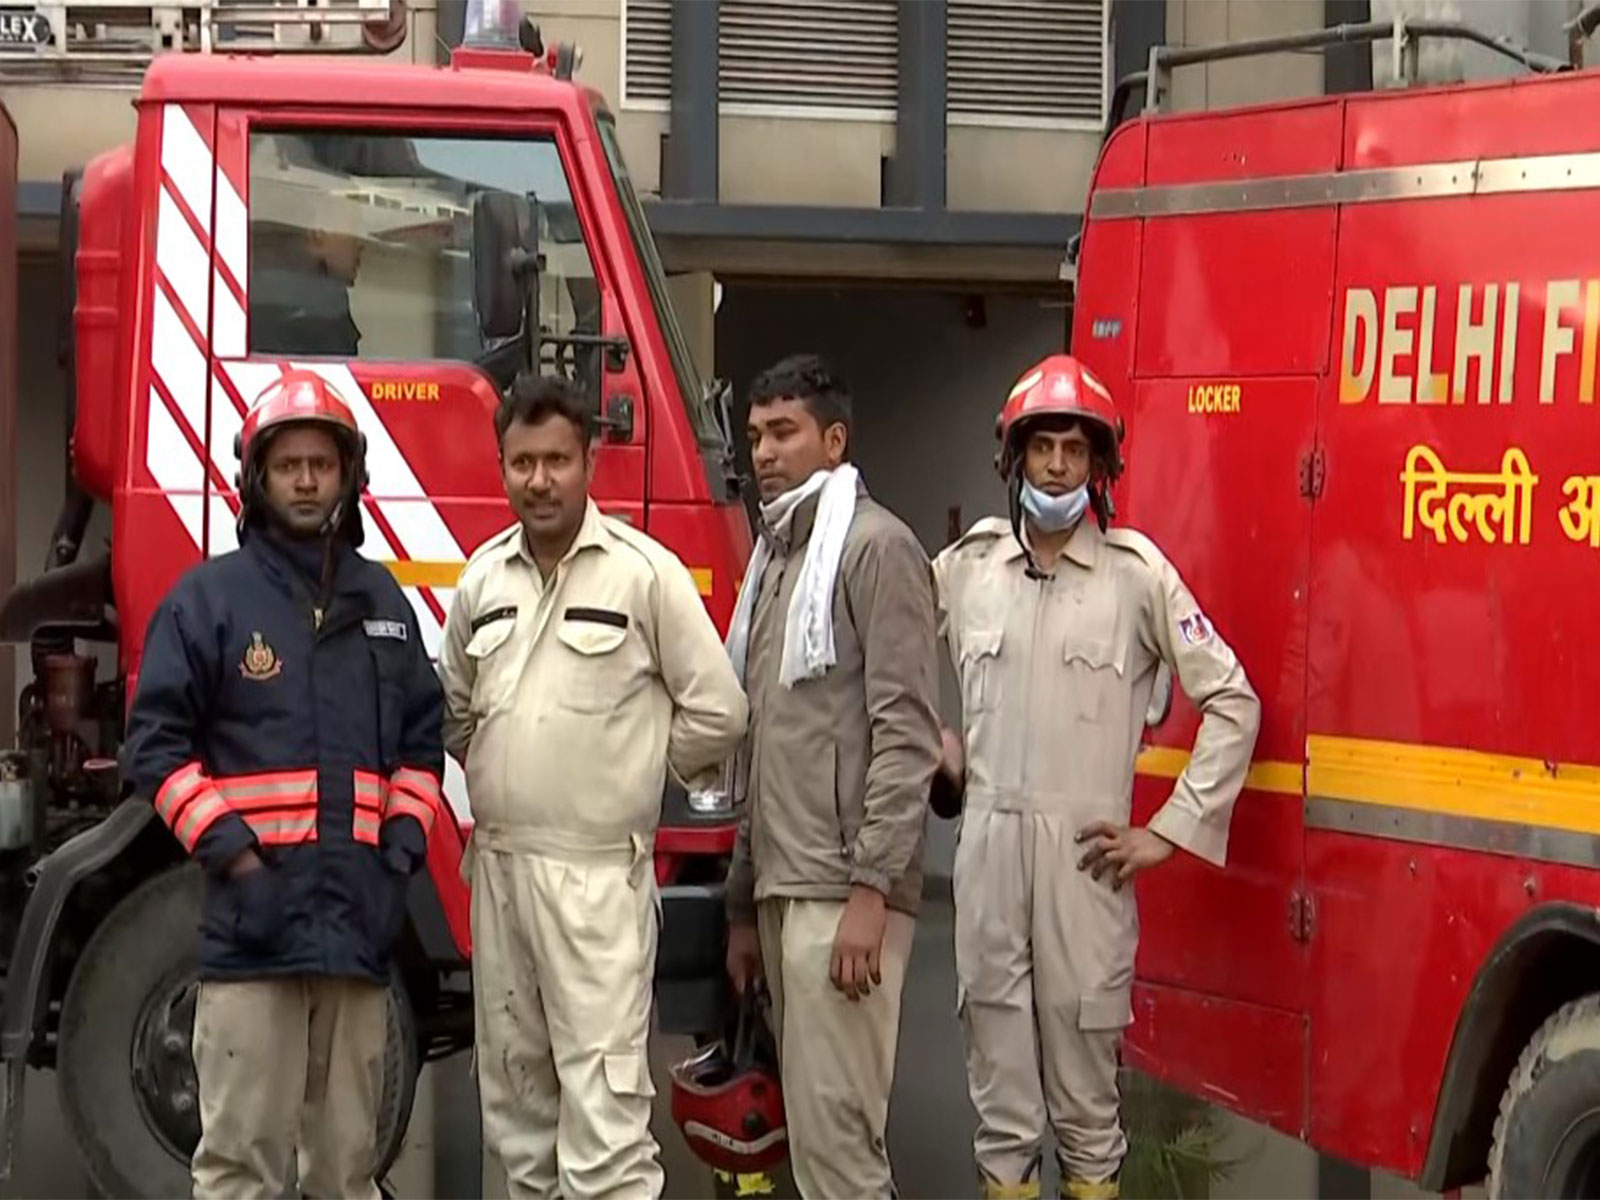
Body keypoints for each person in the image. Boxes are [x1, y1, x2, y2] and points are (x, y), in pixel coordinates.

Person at [930, 354, 1261, 1200]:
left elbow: (1233, 701)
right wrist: (934, 741)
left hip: (1087, 866)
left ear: (1099, 467)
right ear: (1014, 459)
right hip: (989, 856)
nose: (1057, 466)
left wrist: (1167, 832)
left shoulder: (1137, 577)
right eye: (1043, 448)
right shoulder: (966, 570)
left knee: (1086, 1108)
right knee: (1001, 1109)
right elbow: (887, 661)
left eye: (1076, 451)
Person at [122, 368, 446, 1199]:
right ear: (257, 481)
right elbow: (155, 747)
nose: (306, 479)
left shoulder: (385, 603)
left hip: (356, 936)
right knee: (240, 1172)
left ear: (348, 476)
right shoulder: (209, 601)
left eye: (321, 464)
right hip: (251, 938)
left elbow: (420, 740)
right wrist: (236, 861)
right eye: (288, 465)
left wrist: (399, 858)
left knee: (347, 1170)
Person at [438, 374, 748, 1199]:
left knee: (605, 1122)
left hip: (598, 879)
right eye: (522, 462)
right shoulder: (482, 580)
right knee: (516, 1114)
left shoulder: (643, 574)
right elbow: (456, 713)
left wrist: (640, 767)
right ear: (502, 468)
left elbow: (718, 711)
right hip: (500, 874)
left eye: (557, 461)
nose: (539, 481)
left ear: (590, 463)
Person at [722, 353, 941, 1199]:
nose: (765, 454)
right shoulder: (777, 560)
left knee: (844, 1151)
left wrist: (871, 891)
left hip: (846, 895)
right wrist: (744, 902)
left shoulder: (877, 548)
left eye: (785, 432)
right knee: (814, 1148)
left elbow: (906, 736)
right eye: (755, 436)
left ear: (835, 439)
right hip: (787, 887)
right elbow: (766, 744)